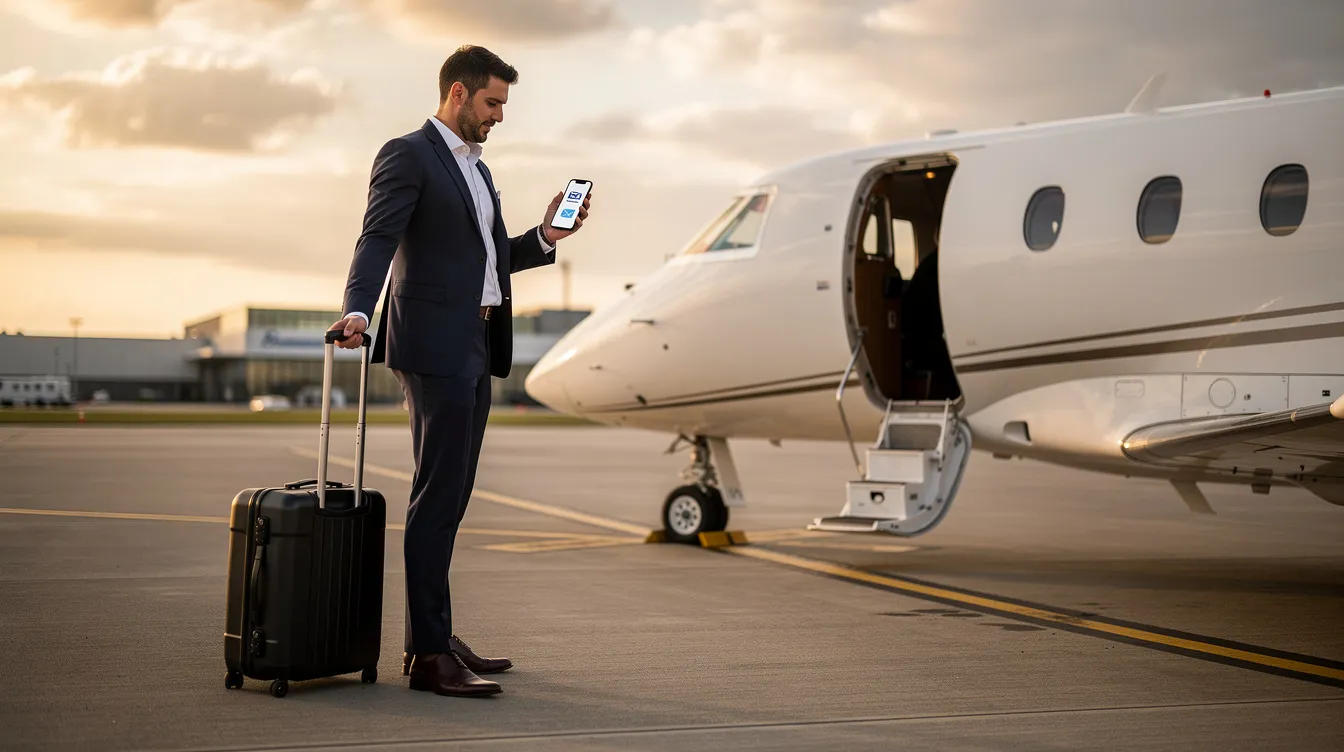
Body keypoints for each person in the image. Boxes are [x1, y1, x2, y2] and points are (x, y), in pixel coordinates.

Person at [327, 44, 591, 698]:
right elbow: (377, 238)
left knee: (453, 497)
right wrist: (357, 310)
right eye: (493, 102)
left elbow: (490, 259)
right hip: (433, 345)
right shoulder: (409, 154)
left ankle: (433, 635)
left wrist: (546, 237)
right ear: (458, 94)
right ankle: (428, 656)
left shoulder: (478, 170)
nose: (499, 115)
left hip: (476, 341)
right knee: (437, 497)